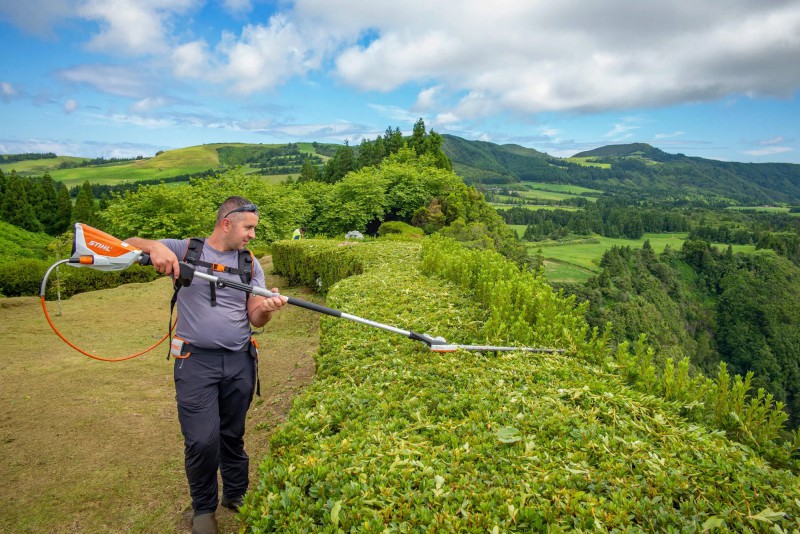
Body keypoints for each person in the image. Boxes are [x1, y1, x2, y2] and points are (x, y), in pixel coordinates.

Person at [127, 196, 287, 534]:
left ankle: (236, 494)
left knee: (232, 434)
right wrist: (155, 247)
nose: (253, 235)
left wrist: (268, 308)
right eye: (249, 228)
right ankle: (203, 509)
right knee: (202, 440)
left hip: (240, 361)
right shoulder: (187, 249)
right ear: (226, 223)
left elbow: (255, 318)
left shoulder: (250, 264)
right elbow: (126, 244)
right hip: (195, 361)